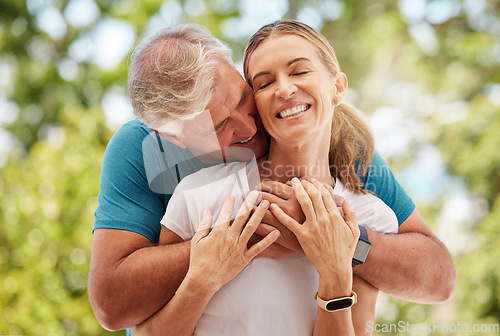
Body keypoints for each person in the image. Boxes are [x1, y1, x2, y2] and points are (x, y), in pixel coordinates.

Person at [88, 23, 455, 334]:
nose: (249, 126)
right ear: (173, 140)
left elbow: (438, 276)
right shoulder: (150, 156)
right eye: (219, 127)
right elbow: (112, 304)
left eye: (244, 97)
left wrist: (338, 241)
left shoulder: (345, 150)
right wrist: (239, 237)